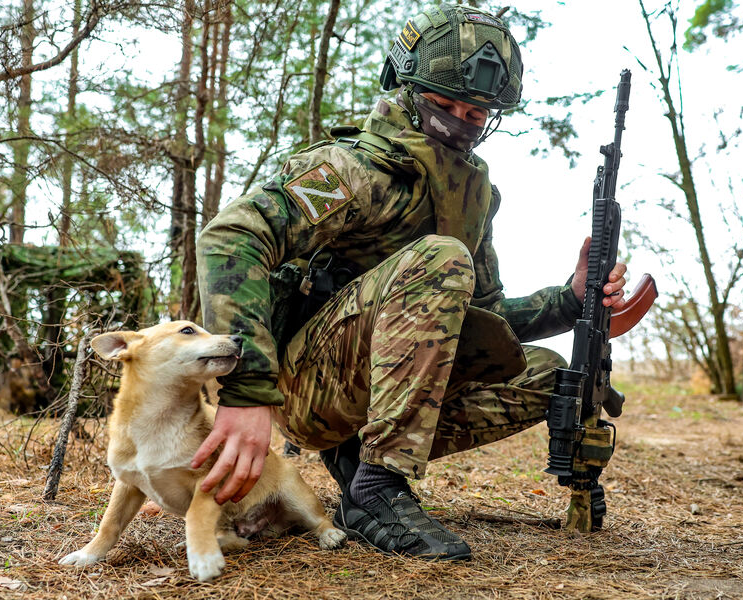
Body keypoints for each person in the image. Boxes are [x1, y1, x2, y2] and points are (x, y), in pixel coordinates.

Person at [192, 4, 628, 561]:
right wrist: (248, 391)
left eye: (476, 113)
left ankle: (360, 465)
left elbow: (485, 317)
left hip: (376, 392)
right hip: (305, 388)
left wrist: (568, 299)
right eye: (444, 105)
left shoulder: (474, 198)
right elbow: (231, 238)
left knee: (547, 374)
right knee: (442, 259)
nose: (460, 122)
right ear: (404, 87)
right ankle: (377, 488)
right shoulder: (353, 170)